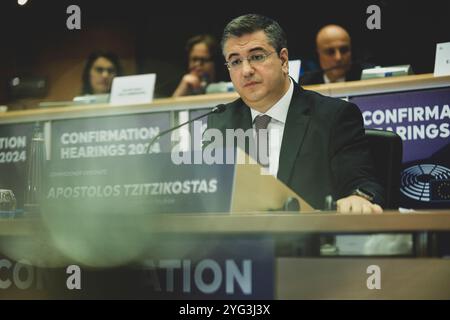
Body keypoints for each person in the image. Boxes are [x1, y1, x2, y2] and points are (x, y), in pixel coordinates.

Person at [206, 14, 384, 213]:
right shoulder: (220, 122)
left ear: (283, 60)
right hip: (240, 242)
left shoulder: (334, 116)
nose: (246, 70)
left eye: (257, 57)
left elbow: (362, 183)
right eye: (235, 61)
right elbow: (208, 197)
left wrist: (357, 198)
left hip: (312, 239)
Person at [300, 24, 365, 85]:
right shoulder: (305, 85)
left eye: (344, 50)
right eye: (330, 52)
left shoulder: (367, 77)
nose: (338, 58)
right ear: (318, 54)